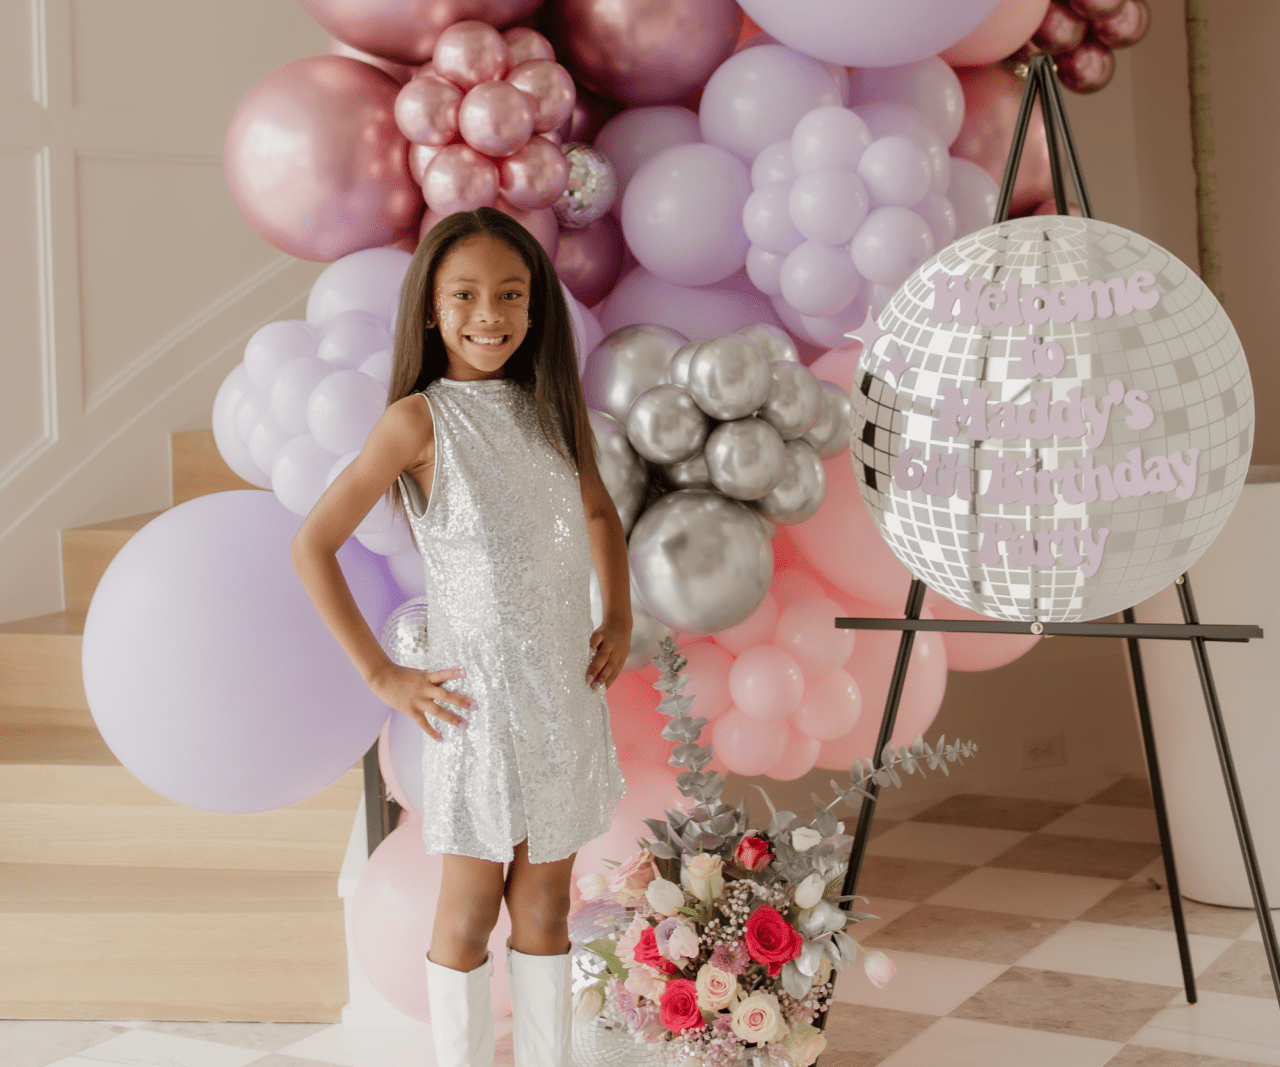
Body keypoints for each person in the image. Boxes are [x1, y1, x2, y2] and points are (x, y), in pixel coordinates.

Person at [291, 207, 631, 1067]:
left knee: (548, 906)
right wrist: (381, 675)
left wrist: (617, 612)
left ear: (535, 307)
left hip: (559, 698)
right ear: (433, 310)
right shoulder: (417, 422)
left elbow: (597, 509)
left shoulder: (553, 411)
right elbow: (313, 544)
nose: (491, 314)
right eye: (468, 295)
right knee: (472, 906)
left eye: (511, 295)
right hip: (478, 708)